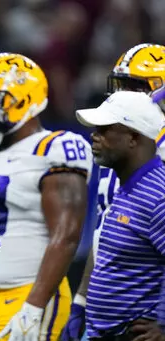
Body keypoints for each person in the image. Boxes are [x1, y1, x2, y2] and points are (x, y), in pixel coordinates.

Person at [0, 53, 92, 341]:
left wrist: (34, 306)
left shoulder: (54, 147)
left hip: (25, 294)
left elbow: (67, 235)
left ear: (21, 100)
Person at [61, 43, 165, 341]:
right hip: (104, 320)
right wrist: (81, 300)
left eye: (135, 88)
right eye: (121, 87)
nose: (123, 96)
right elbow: (104, 234)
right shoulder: (116, 151)